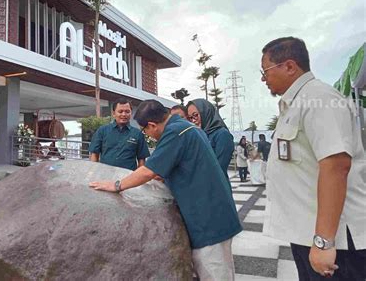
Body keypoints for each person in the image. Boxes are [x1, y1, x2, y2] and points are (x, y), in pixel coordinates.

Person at [89, 100, 242, 280]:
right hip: (212, 209)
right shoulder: (184, 126)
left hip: (209, 217)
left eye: (145, 130)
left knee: (214, 272)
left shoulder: (175, 133)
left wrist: (117, 185)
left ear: (152, 125)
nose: (146, 134)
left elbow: (147, 171)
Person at [260, 37, 366, 280]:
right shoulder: (297, 103)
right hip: (309, 232)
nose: (263, 79)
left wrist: (323, 241)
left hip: (335, 240)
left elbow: (336, 166)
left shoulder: (320, 100)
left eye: (265, 71)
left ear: (289, 66)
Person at [89, 98, 150, 171]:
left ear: (131, 113)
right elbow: (94, 155)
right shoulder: (102, 131)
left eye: (127, 111)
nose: (124, 114)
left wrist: (138, 178)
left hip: (128, 178)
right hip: (105, 175)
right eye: (120, 111)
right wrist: (93, 172)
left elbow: (141, 159)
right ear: (114, 113)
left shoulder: (138, 134)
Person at [186, 99, 235, 178]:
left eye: (195, 115)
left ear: (206, 112)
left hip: (215, 185)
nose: (193, 120)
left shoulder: (222, 134)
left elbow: (219, 167)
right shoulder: (199, 134)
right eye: (190, 118)